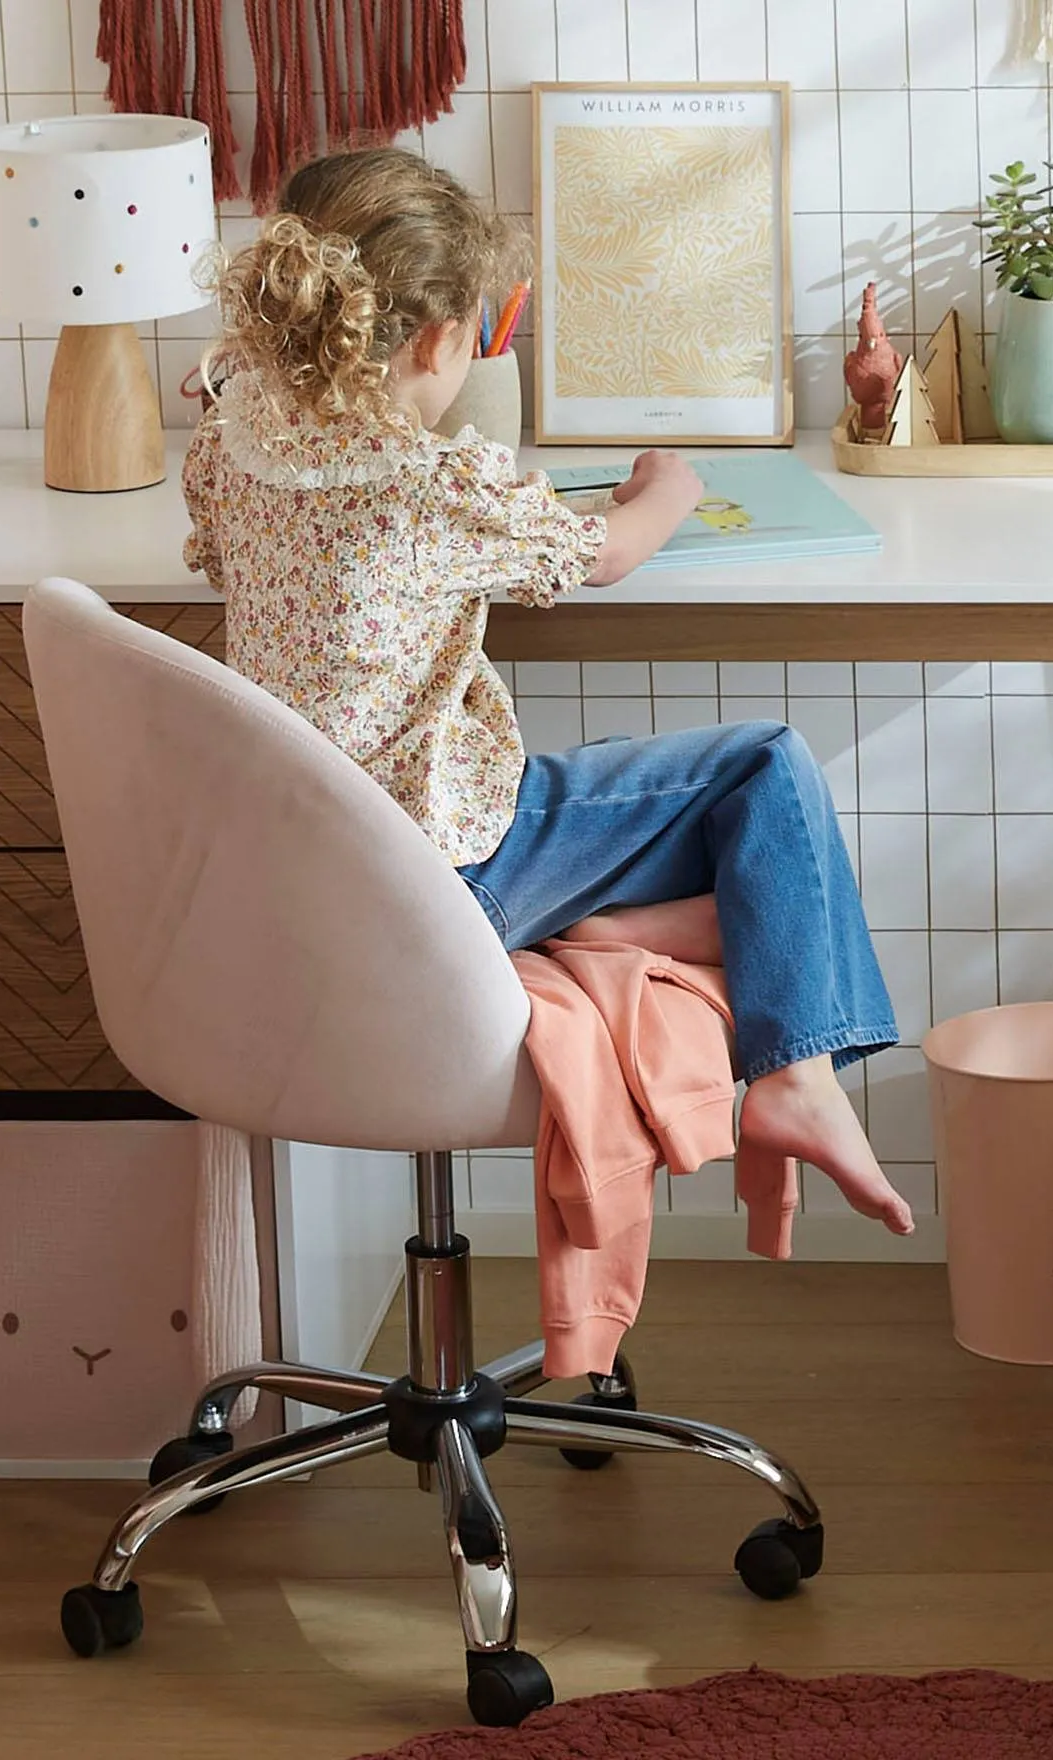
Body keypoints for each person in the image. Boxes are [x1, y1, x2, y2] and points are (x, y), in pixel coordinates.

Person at [181, 146, 913, 1242]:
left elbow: (222, 540)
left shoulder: (233, 446)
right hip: (438, 881)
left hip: (300, 889)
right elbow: (607, 551)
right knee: (762, 770)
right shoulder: (430, 484)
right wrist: (668, 489)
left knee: (631, 789)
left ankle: (687, 965)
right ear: (439, 343)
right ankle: (797, 1070)